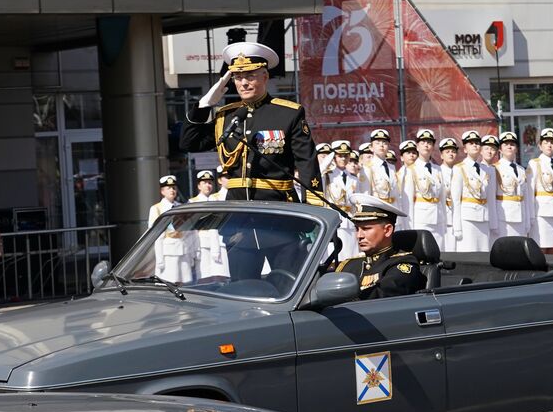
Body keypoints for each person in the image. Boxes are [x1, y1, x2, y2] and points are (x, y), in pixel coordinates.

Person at [180, 41, 322, 204]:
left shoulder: (288, 114)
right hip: (237, 209)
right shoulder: (227, 116)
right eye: (238, 78)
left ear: (265, 77)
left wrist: (313, 204)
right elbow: (189, 143)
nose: (244, 83)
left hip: (277, 205)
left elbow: (306, 162)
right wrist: (203, 106)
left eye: (250, 76)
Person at [334, 194, 424, 299]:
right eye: (357, 229)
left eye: (366, 228)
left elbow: (384, 294)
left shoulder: (402, 264)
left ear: (387, 230)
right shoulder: (348, 265)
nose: (359, 236)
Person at [450, 131, 498, 253]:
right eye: (471, 143)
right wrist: (457, 227)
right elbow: (455, 200)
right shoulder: (459, 168)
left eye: (477, 143)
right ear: (465, 149)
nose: (475, 146)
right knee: (469, 253)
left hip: (484, 217)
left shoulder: (486, 169)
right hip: (467, 219)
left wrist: (493, 222)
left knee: (484, 253)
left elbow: (491, 199)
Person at [403, 129, 445, 243]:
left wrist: (444, 221)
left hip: (438, 218)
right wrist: (409, 226)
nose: (426, 145)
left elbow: (442, 198)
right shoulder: (411, 169)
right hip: (421, 219)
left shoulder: (438, 169)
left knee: (440, 252)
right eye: (423, 142)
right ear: (417, 146)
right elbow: (408, 202)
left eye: (429, 143)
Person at [526, 128, 553, 254]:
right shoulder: (534, 163)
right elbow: (530, 192)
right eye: (546, 142)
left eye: (552, 142)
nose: (549, 145)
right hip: (541, 214)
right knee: (540, 248)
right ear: (540, 145)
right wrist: (531, 217)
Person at [325, 142, 361, 259]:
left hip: (350, 220)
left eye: (346, 156)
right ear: (334, 156)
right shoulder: (328, 175)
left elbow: (357, 201)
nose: (343, 158)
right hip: (336, 219)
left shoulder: (353, 177)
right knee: (338, 256)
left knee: (352, 255)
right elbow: (319, 169)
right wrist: (330, 156)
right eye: (340, 155)